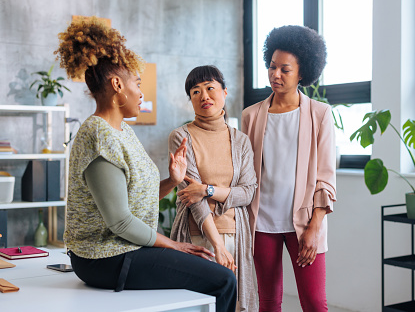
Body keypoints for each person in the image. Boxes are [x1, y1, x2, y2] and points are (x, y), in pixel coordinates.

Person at [55, 17, 236, 312]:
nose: (142, 93)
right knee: (224, 280)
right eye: (137, 85)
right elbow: (120, 221)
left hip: (125, 249)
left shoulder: (122, 130)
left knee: (216, 276)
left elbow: (132, 198)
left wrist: (173, 180)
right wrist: (173, 245)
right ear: (117, 86)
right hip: (104, 258)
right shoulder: (98, 136)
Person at [241, 25, 337, 312]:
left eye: (284, 69)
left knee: (314, 303)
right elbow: (245, 173)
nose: (275, 74)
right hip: (262, 223)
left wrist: (315, 227)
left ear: (302, 72)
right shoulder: (251, 116)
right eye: (272, 67)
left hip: (306, 223)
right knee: (268, 302)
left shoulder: (319, 114)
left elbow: (326, 178)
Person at [169, 65, 258, 311]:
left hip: (236, 235)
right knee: (198, 305)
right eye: (195, 92)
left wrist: (208, 190)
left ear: (224, 92)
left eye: (210, 88)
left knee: (235, 306)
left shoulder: (240, 140)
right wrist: (217, 246)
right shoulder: (182, 136)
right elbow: (191, 197)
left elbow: (248, 191)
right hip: (197, 237)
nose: (204, 96)